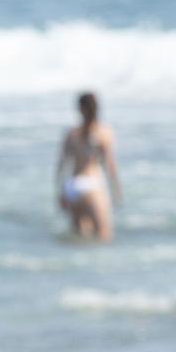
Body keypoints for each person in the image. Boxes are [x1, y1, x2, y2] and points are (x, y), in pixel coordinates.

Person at [55, 91, 121, 242]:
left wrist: (61, 193)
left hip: (73, 187)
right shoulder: (104, 132)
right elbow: (110, 167)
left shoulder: (71, 134)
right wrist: (116, 193)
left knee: (79, 237)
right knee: (104, 235)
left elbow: (61, 166)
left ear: (79, 109)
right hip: (92, 186)